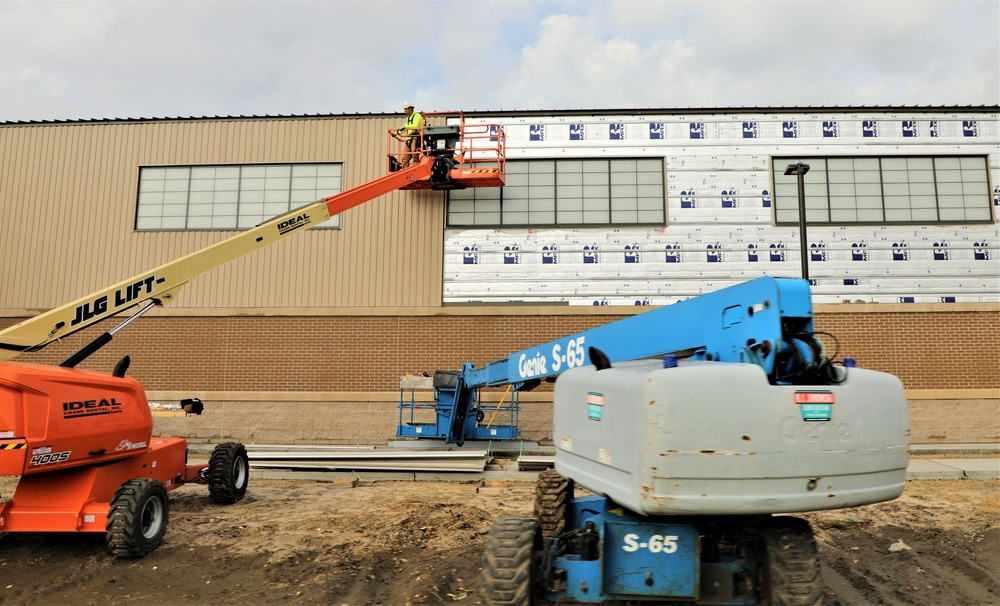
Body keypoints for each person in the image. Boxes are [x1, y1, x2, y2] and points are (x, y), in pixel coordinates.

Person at [396, 101, 423, 169]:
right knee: (404, 158)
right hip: (409, 139)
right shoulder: (408, 118)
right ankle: (404, 172)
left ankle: (415, 169)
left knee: (414, 153)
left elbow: (415, 125)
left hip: (416, 137)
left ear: (410, 108)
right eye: (404, 109)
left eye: (406, 109)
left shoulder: (417, 115)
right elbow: (405, 127)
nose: (404, 110)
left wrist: (405, 127)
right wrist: (397, 133)